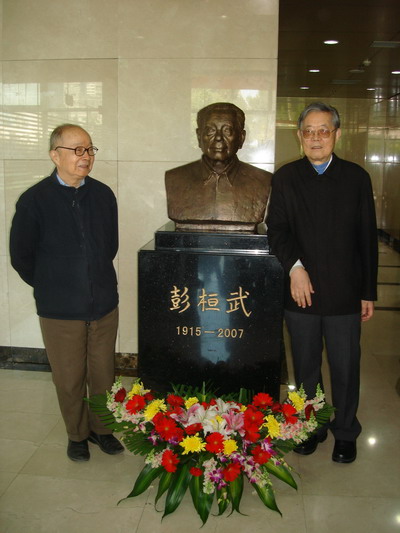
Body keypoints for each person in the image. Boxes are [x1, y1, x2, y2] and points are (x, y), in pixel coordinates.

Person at [267, 102, 378, 463]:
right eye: (309, 131)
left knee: (345, 367)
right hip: (300, 293)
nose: (316, 138)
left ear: (336, 134)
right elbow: (277, 230)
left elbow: (366, 238)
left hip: (345, 292)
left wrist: (368, 291)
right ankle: (311, 425)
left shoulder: (356, 178)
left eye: (323, 130)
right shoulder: (286, 178)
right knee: (306, 368)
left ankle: (345, 431)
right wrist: (295, 268)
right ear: (299, 136)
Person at [9, 124, 124, 461]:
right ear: (54, 155)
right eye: (76, 149)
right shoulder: (34, 200)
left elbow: (110, 246)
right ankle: (77, 434)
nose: (85, 156)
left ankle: (102, 430)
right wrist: (53, 285)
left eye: (88, 149)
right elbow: (21, 257)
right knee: (69, 378)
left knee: (104, 375)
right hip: (59, 310)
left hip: (103, 304)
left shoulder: (103, 195)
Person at [165, 102, 271, 233]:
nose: (219, 138)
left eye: (227, 130)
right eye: (211, 130)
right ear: (199, 136)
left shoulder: (261, 180)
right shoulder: (175, 178)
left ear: (241, 138)